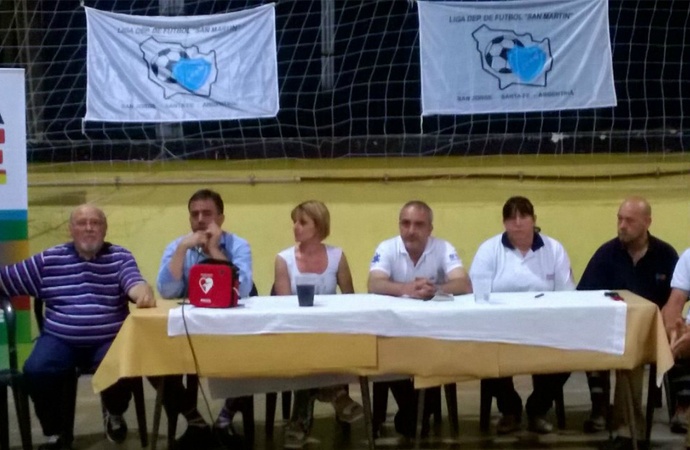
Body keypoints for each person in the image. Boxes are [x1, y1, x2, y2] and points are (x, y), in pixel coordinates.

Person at [0, 205, 156, 450]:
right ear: (70, 230)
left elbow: (134, 282)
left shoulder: (120, 256)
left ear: (105, 229)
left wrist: (142, 293)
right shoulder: (49, 260)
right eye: (82, 223)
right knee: (36, 370)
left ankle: (114, 412)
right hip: (59, 339)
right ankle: (55, 432)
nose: (89, 228)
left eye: (95, 223)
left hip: (108, 338)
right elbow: (6, 279)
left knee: (123, 363)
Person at [578, 196, 679, 450]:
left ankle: (629, 429)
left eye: (629, 221)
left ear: (647, 222)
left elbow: (676, 301)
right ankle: (625, 427)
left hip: (654, 331)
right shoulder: (606, 254)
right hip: (612, 332)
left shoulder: (666, 255)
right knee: (626, 352)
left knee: (633, 351)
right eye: (620, 219)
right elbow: (585, 296)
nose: (622, 226)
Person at [156, 189, 253, 448]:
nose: (200, 219)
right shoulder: (178, 246)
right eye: (194, 214)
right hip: (191, 331)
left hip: (230, 331)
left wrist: (213, 249)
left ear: (220, 218)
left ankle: (225, 418)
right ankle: (194, 419)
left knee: (255, 356)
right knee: (153, 361)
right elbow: (167, 291)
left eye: (207, 213)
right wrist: (181, 250)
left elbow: (243, 288)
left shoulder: (238, 245)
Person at [469, 196, 575, 435]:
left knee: (571, 354)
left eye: (523, 216)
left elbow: (567, 293)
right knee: (481, 353)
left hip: (546, 327)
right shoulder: (489, 250)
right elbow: (477, 293)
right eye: (511, 218)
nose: (517, 223)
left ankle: (538, 408)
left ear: (534, 219)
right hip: (498, 328)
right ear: (504, 223)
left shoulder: (554, 249)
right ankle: (510, 409)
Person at [368, 200, 471, 438]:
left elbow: (463, 284)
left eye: (418, 224)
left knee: (430, 359)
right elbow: (374, 283)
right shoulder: (387, 247)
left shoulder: (443, 248)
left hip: (432, 334)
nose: (411, 230)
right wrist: (406, 288)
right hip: (394, 333)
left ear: (430, 229)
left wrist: (436, 290)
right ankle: (414, 411)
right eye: (405, 223)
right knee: (388, 356)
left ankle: (417, 411)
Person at [274, 200, 364, 449]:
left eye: (303, 222)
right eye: (294, 222)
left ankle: (300, 422)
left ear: (319, 226)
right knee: (307, 351)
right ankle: (336, 394)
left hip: (331, 333)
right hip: (296, 333)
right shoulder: (283, 259)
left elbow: (349, 298)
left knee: (318, 353)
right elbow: (283, 307)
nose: (295, 227)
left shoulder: (337, 256)